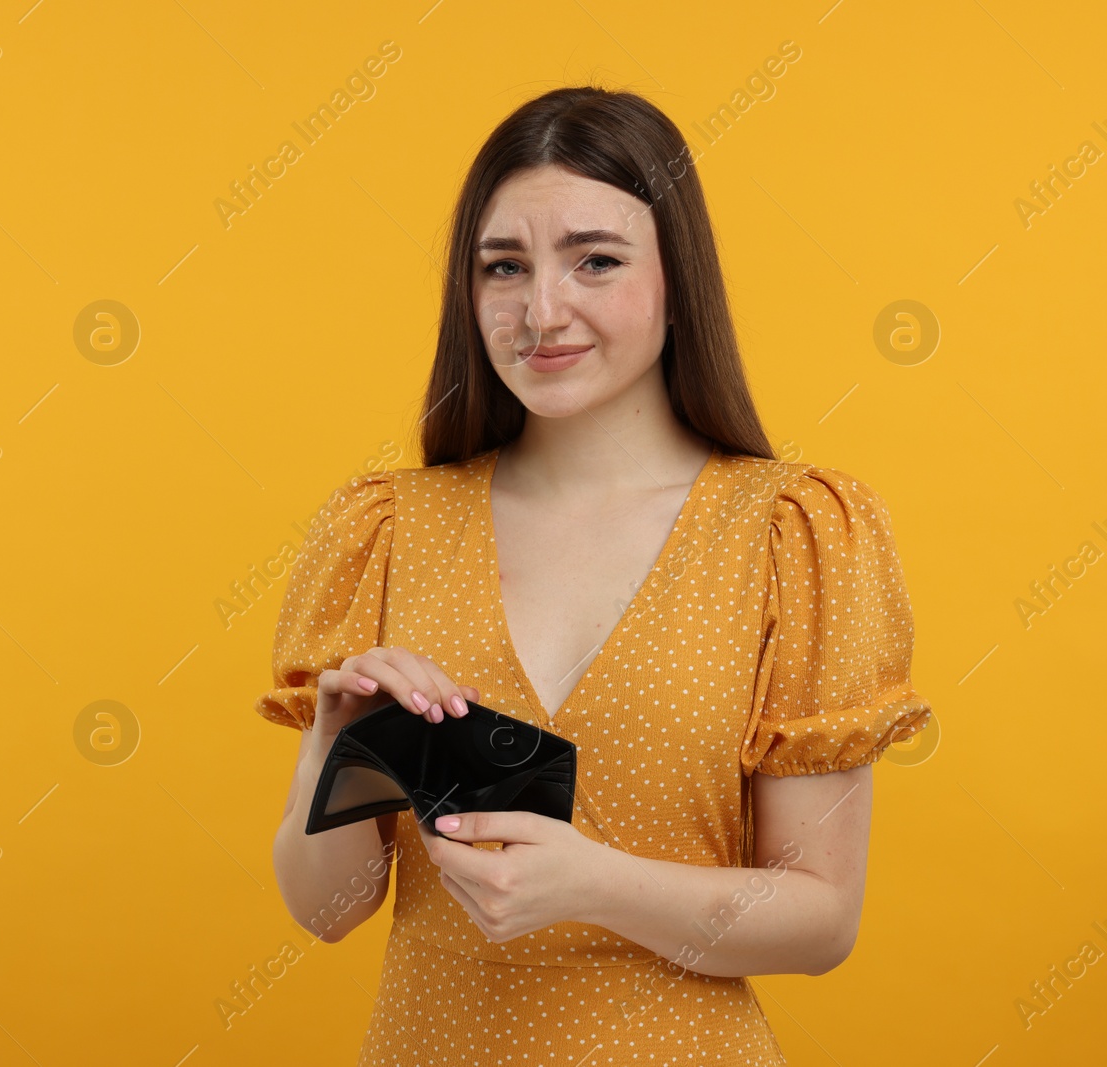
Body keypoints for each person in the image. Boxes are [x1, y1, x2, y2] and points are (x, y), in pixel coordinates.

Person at [257, 85, 933, 1064]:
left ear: (676, 281)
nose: (540, 310)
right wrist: (333, 747)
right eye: (503, 267)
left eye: (596, 261)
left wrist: (593, 882)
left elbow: (822, 917)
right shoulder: (387, 529)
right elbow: (328, 907)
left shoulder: (789, 533)